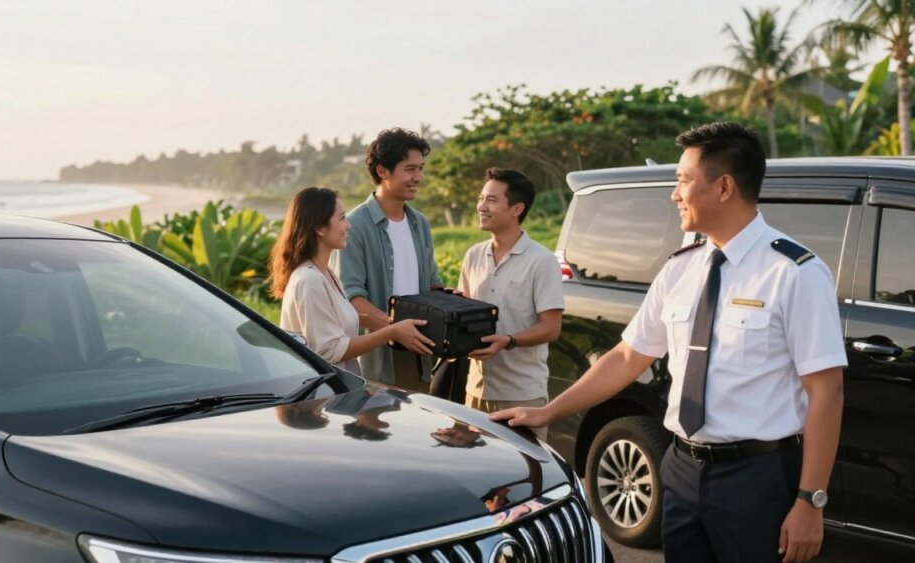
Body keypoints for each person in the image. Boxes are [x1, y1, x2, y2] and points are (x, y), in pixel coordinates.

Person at [492, 122, 846, 563]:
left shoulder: (793, 272)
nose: (674, 194)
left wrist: (809, 501)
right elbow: (627, 356)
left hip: (757, 476)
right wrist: (549, 410)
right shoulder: (681, 268)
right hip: (680, 468)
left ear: (723, 187)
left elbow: (826, 390)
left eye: (682, 181)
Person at [269, 187, 432, 375]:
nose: (349, 225)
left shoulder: (326, 274)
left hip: (338, 392)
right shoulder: (309, 280)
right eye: (342, 218)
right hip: (321, 397)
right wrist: (393, 331)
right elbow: (330, 350)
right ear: (320, 228)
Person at [457, 168, 563, 439]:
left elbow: (551, 328)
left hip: (522, 396)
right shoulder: (473, 255)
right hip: (475, 391)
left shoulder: (542, 261)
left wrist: (509, 340)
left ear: (517, 208)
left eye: (492, 200)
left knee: (526, 479)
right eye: (482, 198)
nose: (481, 206)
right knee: (478, 476)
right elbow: (467, 315)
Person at [334, 128, 442, 391]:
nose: (419, 177)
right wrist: (395, 329)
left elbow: (431, 284)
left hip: (420, 357)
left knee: (418, 431)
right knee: (376, 431)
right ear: (383, 171)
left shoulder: (420, 224)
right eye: (410, 169)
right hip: (374, 362)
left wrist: (454, 302)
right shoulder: (355, 226)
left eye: (421, 168)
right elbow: (351, 300)